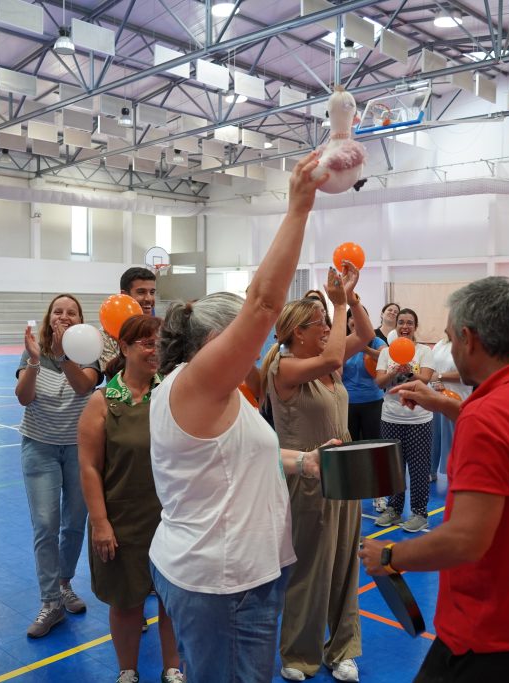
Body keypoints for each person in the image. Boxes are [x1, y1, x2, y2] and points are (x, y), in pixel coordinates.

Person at [148, 151, 334, 682]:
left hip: (247, 573)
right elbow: (262, 305)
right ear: (214, 343)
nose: (253, 352)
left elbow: (234, 457)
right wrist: (298, 208)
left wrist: (301, 462)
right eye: (240, 343)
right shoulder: (196, 383)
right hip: (219, 580)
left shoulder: (217, 396)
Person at [360, 276, 509, 683]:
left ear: (468, 339)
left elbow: (465, 540)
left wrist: (389, 557)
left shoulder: (489, 416)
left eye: (451, 339)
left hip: (496, 638)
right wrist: (448, 406)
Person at [260, 265, 374, 683]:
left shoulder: (328, 366)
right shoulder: (285, 369)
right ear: (296, 333)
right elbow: (336, 351)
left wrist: (352, 299)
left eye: (328, 322)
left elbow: (364, 335)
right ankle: (300, 653)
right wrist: (338, 301)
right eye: (320, 323)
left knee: (345, 563)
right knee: (310, 568)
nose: (327, 328)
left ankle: (342, 649)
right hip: (307, 476)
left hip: (345, 474)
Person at [77, 315, 184, 683]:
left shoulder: (172, 393)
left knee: (172, 600)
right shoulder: (103, 401)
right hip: (121, 519)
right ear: (124, 348)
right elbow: (90, 467)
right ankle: (128, 670)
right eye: (147, 343)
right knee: (126, 602)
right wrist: (101, 523)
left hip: (170, 517)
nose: (156, 351)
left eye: (160, 343)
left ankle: (173, 667)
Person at [15, 294, 101, 637]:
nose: (64, 316)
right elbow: (23, 397)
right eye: (58, 310)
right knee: (45, 524)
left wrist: (66, 353)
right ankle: (50, 601)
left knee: (75, 523)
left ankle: (64, 583)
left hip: (80, 449)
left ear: (80, 319)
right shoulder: (32, 350)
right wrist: (36, 361)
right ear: (49, 316)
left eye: (72, 312)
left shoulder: (90, 350)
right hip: (40, 447)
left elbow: (84, 386)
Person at [374, 308, 436, 532]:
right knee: (394, 467)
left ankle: (420, 513)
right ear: (396, 325)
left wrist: (410, 371)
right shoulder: (386, 352)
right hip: (390, 417)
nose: (405, 327)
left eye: (410, 322)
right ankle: (394, 509)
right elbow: (380, 383)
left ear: (415, 327)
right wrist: (393, 372)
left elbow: (426, 379)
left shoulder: (423, 351)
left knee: (419, 468)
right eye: (401, 322)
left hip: (418, 419)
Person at [429, 331, 471, 481]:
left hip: (457, 398)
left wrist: (441, 377)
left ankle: (456, 473)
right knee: (434, 436)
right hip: (436, 394)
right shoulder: (441, 343)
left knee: (453, 439)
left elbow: (468, 373)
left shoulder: (469, 344)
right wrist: (435, 382)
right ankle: (430, 471)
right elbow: (431, 369)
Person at [101, 267, 158, 371]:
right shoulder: (106, 335)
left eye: (152, 292)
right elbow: (114, 373)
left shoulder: (159, 330)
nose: (149, 298)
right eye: (141, 292)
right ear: (124, 295)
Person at [344, 306, 387, 443]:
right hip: (347, 403)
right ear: (346, 321)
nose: (355, 320)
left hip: (373, 402)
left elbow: (386, 356)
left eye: (359, 317)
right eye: (351, 316)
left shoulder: (376, 341)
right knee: (349, 446)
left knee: (373, 446)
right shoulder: (341, 342)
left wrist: (364, 348)